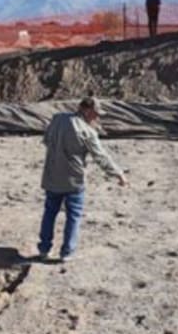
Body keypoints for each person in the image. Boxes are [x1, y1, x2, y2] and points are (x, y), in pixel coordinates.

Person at [37, 96, 128, 262]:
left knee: (50, 212)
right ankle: (67, 252)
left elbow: (46, 141)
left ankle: (44, 249)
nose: (97, 117)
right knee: (74, 215)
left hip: (51, 177)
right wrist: (118, 173)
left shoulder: (57, 119)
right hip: (74, 180)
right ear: (85, 110)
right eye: (95, 114)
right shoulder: (87, 131)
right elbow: (101, 157)